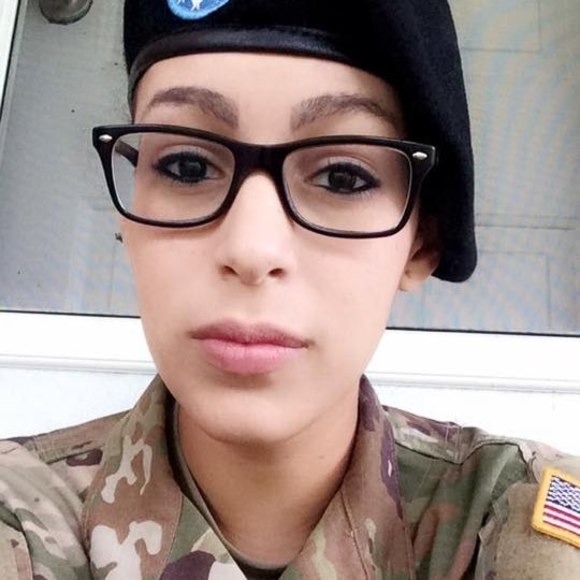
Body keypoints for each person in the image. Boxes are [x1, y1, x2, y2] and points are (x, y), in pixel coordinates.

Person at [1, 0, 579, 578]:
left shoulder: (507, 520)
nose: (251, 250)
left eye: (342, 177)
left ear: (421, 241)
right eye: (186, 167)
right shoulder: (20, 520)